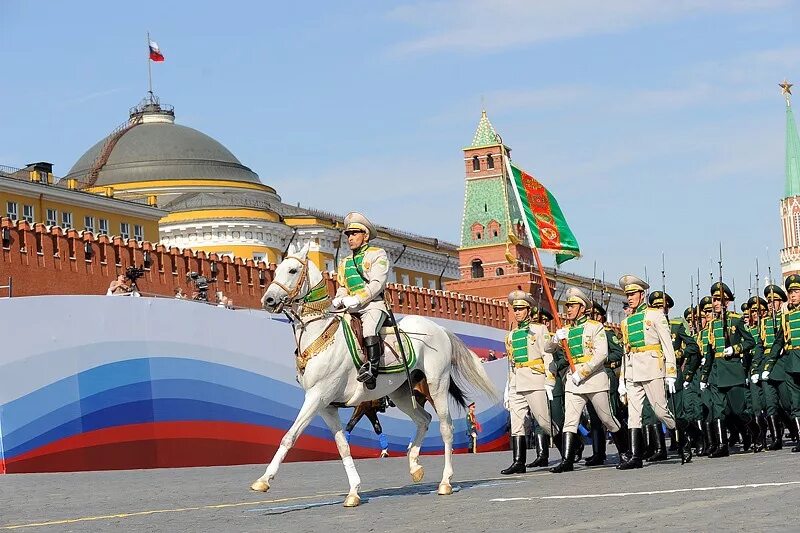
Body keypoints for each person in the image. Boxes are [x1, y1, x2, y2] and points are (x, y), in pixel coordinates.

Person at [549, 287, 628, 473]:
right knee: (570, 421)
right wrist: (555, 339)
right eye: (567, 305)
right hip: (573, 382)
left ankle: (625, 452)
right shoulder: (566, 330)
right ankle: (567, 460)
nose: (568, 309)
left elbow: (601, 354)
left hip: (593, 380)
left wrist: (582, 372)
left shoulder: (595, 327)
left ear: (582, 308)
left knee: (607, 419)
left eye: (573, 305)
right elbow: (547, 348)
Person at [617, 275, 680, 470]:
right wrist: (622, 381)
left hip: (653, 368)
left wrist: (671, 372)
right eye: (628, 294)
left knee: (660, 410)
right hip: (633, 371)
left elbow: (667, 345)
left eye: (633, 293)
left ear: (642, 294)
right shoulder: (626, 322)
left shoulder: (655, 315)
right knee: (634, 414)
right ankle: (635, 456)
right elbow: (626, 352)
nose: (630, 297)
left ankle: (679, 433)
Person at [500, 290, 560, 474]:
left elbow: (548, 356)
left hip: (535, 380)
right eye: (515, 309)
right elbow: (511, 364)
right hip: (517, 381)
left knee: (543, 422)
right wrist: (508, 387)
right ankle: (518, 461)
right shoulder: (510, 336)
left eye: (520, 309)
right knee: (517, 422)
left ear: (528, 310)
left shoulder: (539, 330)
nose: (517, 312)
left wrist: (550, 379)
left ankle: (571, 446)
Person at [698, 281, 757, 458]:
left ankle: (752, 432)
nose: (715, 303)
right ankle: (722, 445)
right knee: (718, 410)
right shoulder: (711, 325)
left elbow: (750, 342)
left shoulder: (736, 320)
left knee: (738, 410)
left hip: (732, 370)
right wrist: (704, 376)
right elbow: (709, 353)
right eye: (714, 299)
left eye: (718, 299)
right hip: (716, 372)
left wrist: (735, 349)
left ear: (727, 302)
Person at [333, 212, 390, 390]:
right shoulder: (345, 262)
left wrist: (357, 299)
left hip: (373, 305)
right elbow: (343, 285)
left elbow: (377, 283)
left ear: (365, 236)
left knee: (369, 330)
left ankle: (372, 369)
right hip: (350, 307)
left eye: (354, 234)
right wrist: (339, 298)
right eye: (348, 235)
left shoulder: (377, 254)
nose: (350, 238)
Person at [583, 301, 628, 467]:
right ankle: (598, 453)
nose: (590, 319)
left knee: (611, 415)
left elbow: (618, 352)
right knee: (594, 418)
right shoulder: (586, 333)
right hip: (590, 377)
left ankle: (624, 450)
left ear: (600, 317)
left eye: (593, 316)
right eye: (588, 316)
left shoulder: (607, 333)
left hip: (606, 375)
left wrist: (600, 360)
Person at [762, 274, 800, 453]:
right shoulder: (786, 318)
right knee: (795, 402)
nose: (793, 295)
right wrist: (769, 363)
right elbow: (778, 342)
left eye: (796, 291)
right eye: (791, 291)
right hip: (792, 362)